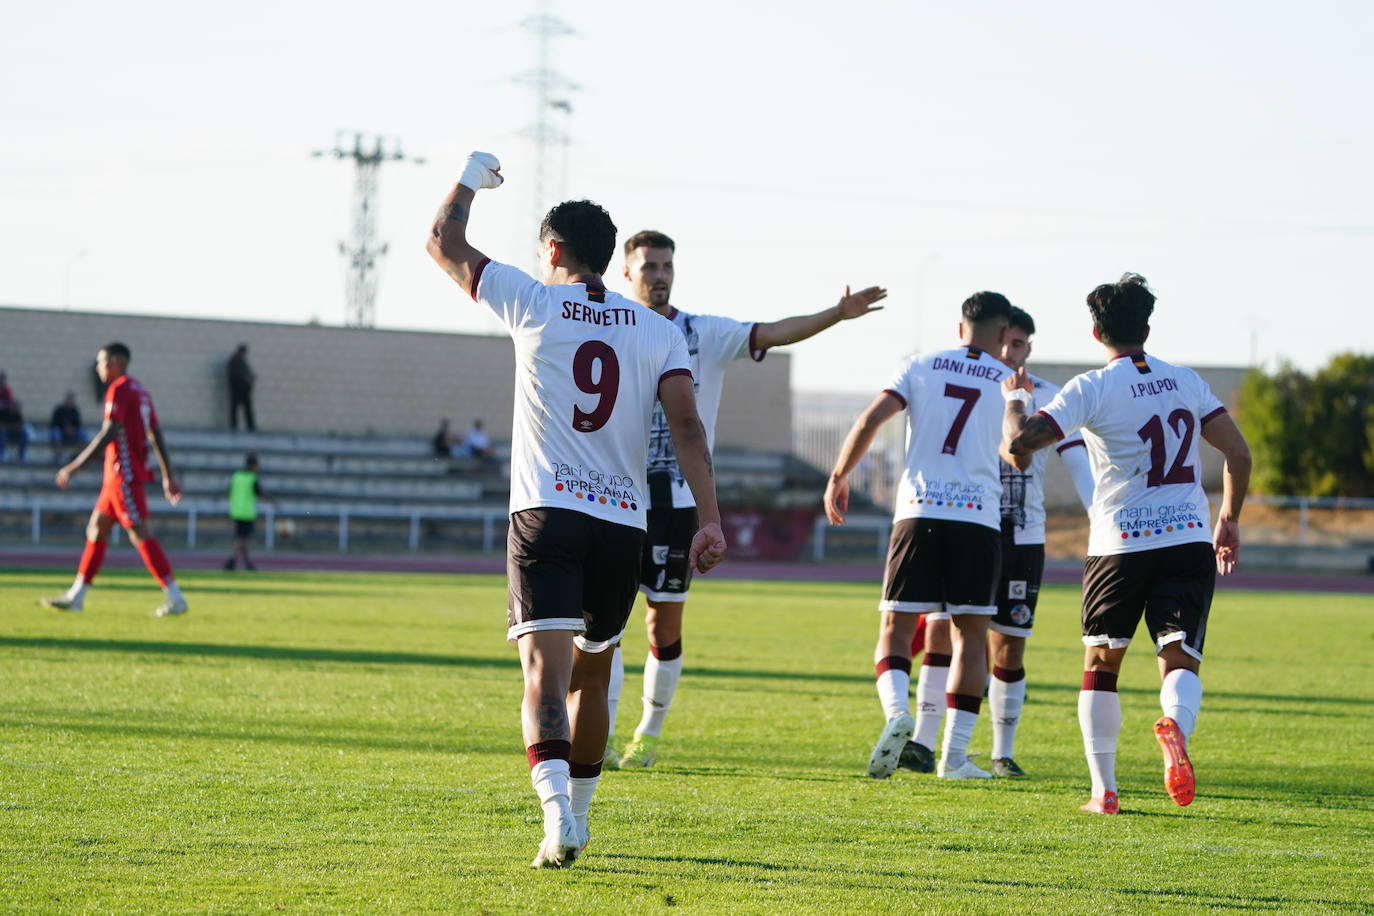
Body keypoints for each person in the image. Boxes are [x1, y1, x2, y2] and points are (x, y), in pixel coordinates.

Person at [426, 151, 726, 868]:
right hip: (624, 523)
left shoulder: (531, 297)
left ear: (553, 252)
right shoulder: (659, 331)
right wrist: (710, 518)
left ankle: (557, 815)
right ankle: (582, 817)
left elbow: (443, 241)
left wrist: (469, 178)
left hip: (546, 514)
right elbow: (688, 428)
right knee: (595, 672)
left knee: (544, 674)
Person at [608, 229, 887, 770]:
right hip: (618, 497)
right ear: (627, 272)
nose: (659, 275)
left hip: (679, 504)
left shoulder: (703, 333)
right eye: (649, 267)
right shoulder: (615, 327)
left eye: (667, 265)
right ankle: (602, 730)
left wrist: (836, 312)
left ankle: (648, 733)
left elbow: (775, 332)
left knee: (663, 624)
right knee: (609, 625)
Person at [1001, 273, 1251, 814]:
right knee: (1178, 654)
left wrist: (1015, 402)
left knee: (1101, 662)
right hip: (1187, 537)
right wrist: (1227, 518)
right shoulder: (1185, 380)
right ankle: (1175, 728)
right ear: (1148, 325)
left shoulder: (1091, 388)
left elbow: (1020, 450)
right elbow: (1239, 454)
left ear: (1096, 332)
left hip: (1119, 543)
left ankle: (1104, 792)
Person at [900, 305, 1097, 778]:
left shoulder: (1046, 397)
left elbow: (1075, 458)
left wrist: (1098, 512)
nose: (1009, 352)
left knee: (1009, 645)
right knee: (945, 631)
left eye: (1019, 344)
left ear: (1027, 346)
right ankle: (925, 745)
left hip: (1021, 536)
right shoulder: (966, 385)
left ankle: (1001, 752)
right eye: (1004, 342)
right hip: (968, 528)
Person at [826, 291, 1012, 780]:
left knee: (896, 628)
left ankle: (896, 713)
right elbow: (1019, 450)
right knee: (971, 635)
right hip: (977, 517)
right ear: (1002, 335)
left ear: (960, 328)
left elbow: (870, 418)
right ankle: (955, 757)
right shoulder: (1009, 380)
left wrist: (840, 474)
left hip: (919, 510)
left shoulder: (920, 365)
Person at [41, 342, 189, 617]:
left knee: (139, 532)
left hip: (124, 474)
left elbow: (110, 432)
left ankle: (176, 597)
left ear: (117, 361)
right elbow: (155, 432)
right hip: (116, 476)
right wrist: (168, 474)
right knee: (97, 528)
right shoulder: (141, 391)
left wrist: (73, 467)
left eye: (102, 361)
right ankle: (77, 596)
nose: (98, 367)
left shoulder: (118, 389)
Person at [225, 453, 270, 571]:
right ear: (252, 466)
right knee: (242, 539)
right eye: (256, 466)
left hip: (236, 511)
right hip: (247, 513)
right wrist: (272, 501)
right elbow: (260, 493)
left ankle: (247, 563)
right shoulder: (251, 478)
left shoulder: (237, 476)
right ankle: (232, 560)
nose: (257, 469)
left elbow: (229, 491)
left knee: (242, 538)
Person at [49, 391, 88, 463]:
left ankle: (80, 456)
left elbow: (78, 424)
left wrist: (73, 430)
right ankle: (58, 456)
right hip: (61, 433)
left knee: (83, 433)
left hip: (72, 433)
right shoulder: (59, 410)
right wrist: (64, 429)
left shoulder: (75, 411)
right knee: (56, 433)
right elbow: (54, 424)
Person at [0, 371, 31, 462]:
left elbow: (20, 426)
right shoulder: (4, 413)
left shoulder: (7, 392)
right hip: (6, 431)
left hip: (12, 432)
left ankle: (21, 456)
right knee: (2, 433)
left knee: (25, 434)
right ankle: (2, 453)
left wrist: (11, 427)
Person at [227, 343, 256, 431]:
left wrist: (250, 377)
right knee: (235, 408)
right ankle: (234, 426)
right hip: (237, 389)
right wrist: (245, 377)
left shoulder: (242, 362)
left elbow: (248, 373)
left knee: (247, 408)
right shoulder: (233, 361)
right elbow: (235, 375)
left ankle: (250, 426)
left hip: (244, 390)